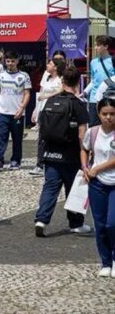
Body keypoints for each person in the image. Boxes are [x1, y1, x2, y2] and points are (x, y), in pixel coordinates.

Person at [34, 68, 91, 237]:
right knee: (73, 189)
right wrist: (86, 154)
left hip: (51, 152)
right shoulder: (78, 104)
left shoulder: (51, 101)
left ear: (63, 81)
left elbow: (42, 126)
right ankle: (76, 223)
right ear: (77, 82)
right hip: (71, 154)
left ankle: (41, 220)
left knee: (50, 187)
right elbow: (82, 133)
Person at [82, 97, 115, 278]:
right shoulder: (93, 132)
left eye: (112, 114)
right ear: (99, 114)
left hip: (113, 184)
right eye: (105, 114)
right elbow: (84, 148)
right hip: (97, 184)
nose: (108, 118)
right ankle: (105, 262)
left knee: (112, 223)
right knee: (100, 225)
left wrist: (97, 168)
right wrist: (85, 167)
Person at [0, 50, 31, 171]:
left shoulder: (24, 76)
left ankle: (15, 160)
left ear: (17, 61)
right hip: (3, 112)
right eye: (8, 61)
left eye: (13, 61)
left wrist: (22, 107)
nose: (10, 63)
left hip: (17, 112)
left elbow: (27, 93)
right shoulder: (0, 75)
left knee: (17, 138)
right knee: (1, 136)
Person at [29, 58, 65, 176]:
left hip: (55, 112)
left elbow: (61, 91)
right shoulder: (47, 78)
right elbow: (41, 94)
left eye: (50, 64)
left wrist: (47, 96)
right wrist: (36, 110)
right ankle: (40, 163)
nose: (47, 65)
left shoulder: (60, 79)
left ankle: (51, 162)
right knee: (42, 138)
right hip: (44, 110)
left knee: (52, 137)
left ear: (56, 67)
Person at [86, 35, 114, 126]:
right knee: (93, 125)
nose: (95, 48)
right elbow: (93, 80)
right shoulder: (93, 62)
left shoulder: (112, 61)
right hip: (94, 99)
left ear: (106, 46)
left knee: (109, 124)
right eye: (95, 45)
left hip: (109, 98)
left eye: (98, 45)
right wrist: (85, 91)